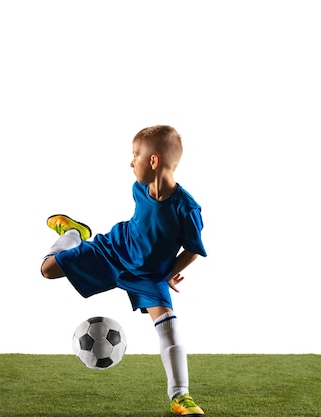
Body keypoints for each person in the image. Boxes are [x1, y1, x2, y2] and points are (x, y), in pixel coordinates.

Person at [40, 125, 207, 416]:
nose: (131, 162)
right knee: (48, 269)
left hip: (148, 276)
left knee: (169, 325)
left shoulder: (187, 209)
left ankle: (180, 396)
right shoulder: (138, 189)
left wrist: (167, 273)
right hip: (114, 251)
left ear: (153, 161)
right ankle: (73, 233)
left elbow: (193, 249)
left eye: (135, 156)